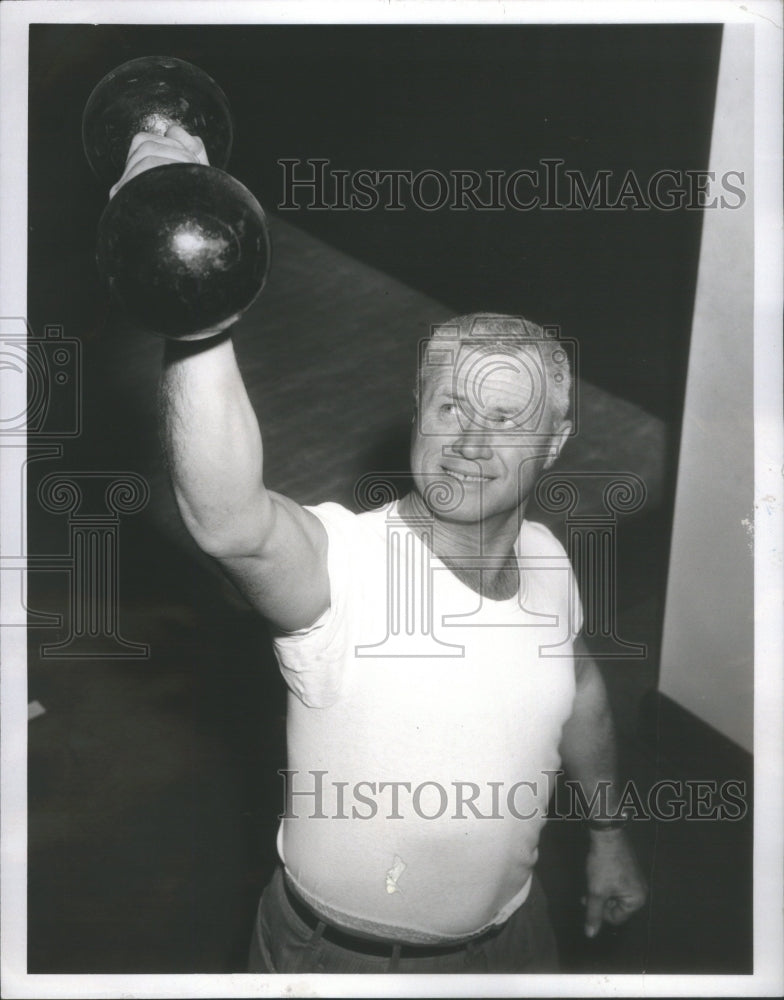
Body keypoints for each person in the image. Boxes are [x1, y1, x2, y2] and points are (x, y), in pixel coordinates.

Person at [115, 126, 647, 974]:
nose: (469, 441)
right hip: (352, 965)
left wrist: (609, 835)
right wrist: (198, 301)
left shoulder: (547, 557)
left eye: (505, 419)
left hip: (518, 939)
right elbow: (230, 521)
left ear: (554, 443)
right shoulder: (349, 568)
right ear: (417, 414)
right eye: (449, 408)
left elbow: (578, 691)